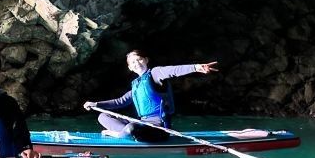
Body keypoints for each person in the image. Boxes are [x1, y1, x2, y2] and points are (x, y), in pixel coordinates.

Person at [83, 49, 218, 142]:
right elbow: (121, 101)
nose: (137, 63)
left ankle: (120, 135)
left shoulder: (155, 74)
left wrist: (196, 67)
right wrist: (95, 104)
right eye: (133, 62)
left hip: (158, 128)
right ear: (130, 67)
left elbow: (173, 70)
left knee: (131, 128)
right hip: (142, 124)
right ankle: (126, 133)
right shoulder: (136, 84)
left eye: (139, 59)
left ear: (146, 60)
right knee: (103, 116)